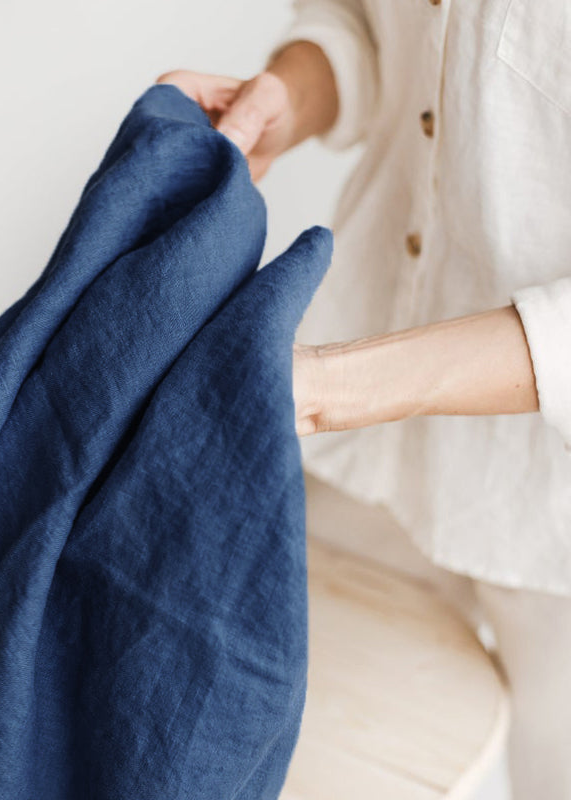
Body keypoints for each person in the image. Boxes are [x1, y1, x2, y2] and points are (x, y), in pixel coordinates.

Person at [156, 1, 571, 798]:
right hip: (360, 446)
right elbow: (370, 24)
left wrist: (334, 386)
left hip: (546, 507)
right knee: (302, 738)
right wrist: (289, 92)